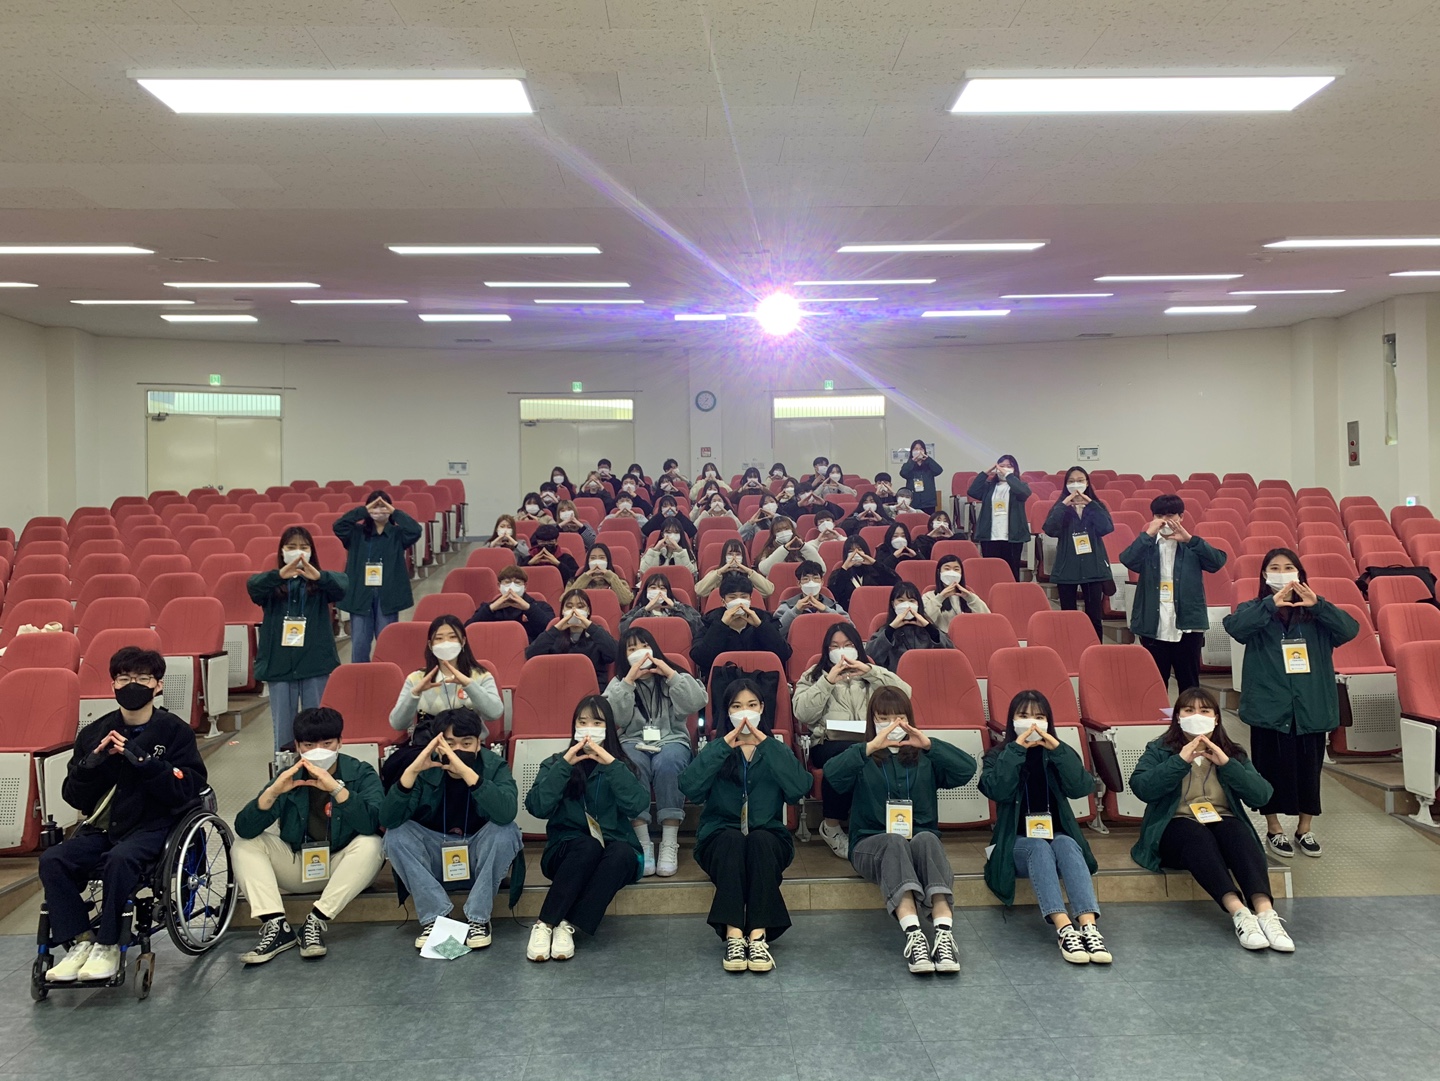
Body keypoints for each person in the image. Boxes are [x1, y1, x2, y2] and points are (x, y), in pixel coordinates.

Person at [40, 646, 206, 983]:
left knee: (121, 859)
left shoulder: (175, 731)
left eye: (143, 679)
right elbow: (75, 797)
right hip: (104, 828)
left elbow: (188, 787)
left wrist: (144, 762)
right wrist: (90, 765)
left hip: (155, 826)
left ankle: (109, 945)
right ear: (113, 684)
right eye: (124, 678)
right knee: (53, 859)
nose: (133, 685)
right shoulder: (94, 733)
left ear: (158, 685)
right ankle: (81, 941)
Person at [823, 687, 975, 974]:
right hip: (871, 844)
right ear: (872, 720)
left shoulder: (924, 757)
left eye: (899, 717)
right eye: (884, 718)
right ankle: (914, 934)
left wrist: (929, 744)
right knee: (893, 842)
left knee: (927, 838)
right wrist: (869, 747)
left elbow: (966, 770)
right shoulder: (862, 757)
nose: (893, 724)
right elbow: (832, 775)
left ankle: (944, 933)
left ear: (910, 720)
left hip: (917, 843)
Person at [1129, 688, 1293, 952]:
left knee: (1239, 832)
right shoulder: (1160, 749)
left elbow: (1262, 795)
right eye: (1188, 710)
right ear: (1178, 717)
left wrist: (1228, 765)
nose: (1197, 716)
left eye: (1204, 711)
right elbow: (1142, 787)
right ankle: (1240, 913)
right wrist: (1179, 761)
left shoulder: (1232, 752)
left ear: (1216, 718)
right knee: (1196, 835)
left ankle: (1266, 913)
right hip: (1175, 826)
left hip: (1220, 820)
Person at [1223, 548, 1359, 859]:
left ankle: (1304, 828)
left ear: (1299, 574)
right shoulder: (1255, 609)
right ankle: (1274, 828)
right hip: (1270, 706)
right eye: (1275, 567)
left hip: (1310, 705)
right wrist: (1270, 605)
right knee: (1268, 768)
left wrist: (1319, 604)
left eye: (1288, 567)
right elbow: (1236, 627)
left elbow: (1350, 629)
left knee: (1309, 771)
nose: (1282, 573)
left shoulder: (1316, 612)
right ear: (1264, 575)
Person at [232, 707, 385, 964]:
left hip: (343, 868)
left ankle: (315, 922)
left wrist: (336, 789)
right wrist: (272, 793)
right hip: (298, 866)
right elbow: (245, 828)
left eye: (327, 744)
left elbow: (373, 824)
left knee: (372, 844)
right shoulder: (288, 777)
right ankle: (276, 926)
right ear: (297, 746)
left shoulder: (360, 772)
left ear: (340, 742)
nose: (318, 751)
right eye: (309, 745)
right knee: (244, 845)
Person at [678, 678, 812, 972]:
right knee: (732, 841)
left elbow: (799, 788)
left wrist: (767, 745)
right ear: (727, 712)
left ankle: (758, 935)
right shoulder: (716, 748)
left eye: (752, 705)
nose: (745, 712)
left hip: (768, 837)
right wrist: (722, 747)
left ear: (762, 708)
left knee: (759, 841)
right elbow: (690, 787)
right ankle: (734, 935)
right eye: (737, 706)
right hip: (720, 838)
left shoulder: (775, 749)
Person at [979, 691, 1110, 964]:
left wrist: (1059, 751)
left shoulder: (1058, 753)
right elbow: (996, 790)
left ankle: (1089, 927)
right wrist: (1016, 750)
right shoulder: (998, 755)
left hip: (1056, 837)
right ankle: (1064, 928)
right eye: (1023, 716)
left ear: (1049, 721)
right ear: (1011, 720)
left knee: (1066, 843)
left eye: (1039, 716)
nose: (1032, 723)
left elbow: (1081, 787)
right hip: (1014, 843)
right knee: (1038, 847)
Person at [380, 709, 524, 950]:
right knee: (396, 836)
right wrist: (411, 773)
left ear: (478, 744)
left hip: (478, 856)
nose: (457, 750)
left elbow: (507, 812)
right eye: (450, 743)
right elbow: (389, 820)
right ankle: (435, 919)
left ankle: (478, 919)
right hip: (436, 858)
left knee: (506, 830)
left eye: (466, 743)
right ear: (438, 744)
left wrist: (468, 774)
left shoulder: (493, 765)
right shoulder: (425, 766)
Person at [524, 696, 650, 961]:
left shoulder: (621, 765)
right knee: (588, 845)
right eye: (582, 722)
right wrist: (564, 766)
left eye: (597, 722)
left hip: (614, 852)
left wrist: (611, 765)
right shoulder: (556, 762)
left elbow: (637, 805)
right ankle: (545, 924)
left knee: (621, 853)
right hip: (566, 851)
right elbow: (537, 807)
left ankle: (565, 924)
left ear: (609, 728)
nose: (589, 728)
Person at [793, 622, 911, 859]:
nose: (842, 651)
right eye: (835, 646)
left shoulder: (871, 673)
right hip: (828, 742)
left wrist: (870, 672)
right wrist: (828, 682)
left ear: (858, 647)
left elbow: (904, 695)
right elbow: (803, 714)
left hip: (870, 739)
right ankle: (831, 825)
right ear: (827, 650)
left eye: (847, 645)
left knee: (879, 753)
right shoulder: (814, 675)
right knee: (848, 756)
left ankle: (880, 823)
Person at [605, 628, 709, 876]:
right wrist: (628, 682)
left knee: (669, 762)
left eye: (644, 646)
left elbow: (697, 701)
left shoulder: (673, 673)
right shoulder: (619, 681)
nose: (639, 652)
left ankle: (669, 842)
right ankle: (643, 842)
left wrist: (671, 675)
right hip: (633, 740)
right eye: (632, 649)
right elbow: (614, 718)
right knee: (631, 763)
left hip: (672, 739)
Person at [247, 526, 347, 754]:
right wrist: (279, 575)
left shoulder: (321, 583)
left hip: (314, 664)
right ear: (282, 551)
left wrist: (319, 576)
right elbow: (253, 586)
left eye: (304, 547)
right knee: (283, 731)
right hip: (279, 665)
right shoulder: (272, 584)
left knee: (318, 728)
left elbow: (343, 587)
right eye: (291, 547)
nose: (298, 551)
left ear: (312, 551)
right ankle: (285, 772)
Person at [1119, 495, 1227, 695]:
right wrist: (1147, 534)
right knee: (1155, 686)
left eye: (1170, 516)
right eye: (1159, 516)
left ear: (1181, 517)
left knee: (1189, 685)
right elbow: (1127, 559)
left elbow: (1217, 562)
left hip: (1187, 626)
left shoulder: (1192, 545)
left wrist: (1190, 540)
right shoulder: (1147, 545)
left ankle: (1187, 716)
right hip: (1153, 625)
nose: (1165, 520)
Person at [333, 490, 423, 663]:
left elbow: (415, 530)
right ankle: (360, 676)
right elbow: (338, 526)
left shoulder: (397, 534)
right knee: (360, 644)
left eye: (383, 506)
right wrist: (363, 511)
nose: (379, 510)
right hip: (361, 595)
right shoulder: (356, 533)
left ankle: (386, 674)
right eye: (375, 506)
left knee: (386, 642)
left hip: (387, 595)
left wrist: (394, 512)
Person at [389, 615, 504, 738]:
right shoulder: (416, 679)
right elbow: (398, 724)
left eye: (453, 637)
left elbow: (494, 713)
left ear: (463, 641)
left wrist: (469, 685)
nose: (446, 643)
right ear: (430, 645)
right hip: (429, 745)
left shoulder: (481, 676)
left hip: (468, 746)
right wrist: (415, 694)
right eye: (439, 638)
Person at [1043, 467, 1115, 640]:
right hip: (1067, 568)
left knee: (1094, 617)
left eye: (1080, 480)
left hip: (1093, 569)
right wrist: (1063, 505)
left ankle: (1095, 649)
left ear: (1087, 483)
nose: (1076, 484)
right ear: (1066, 484)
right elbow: (1050, 529)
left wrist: (1091, 504)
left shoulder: (1097, 506)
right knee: (1068, 617)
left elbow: (1106, 528)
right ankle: (1071, 648)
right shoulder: (1060, 507)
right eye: (1071, 481)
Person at [691, 571, 792, 683]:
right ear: (723, 601)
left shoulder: (764, 619)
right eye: (732, 597)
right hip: (722, 682)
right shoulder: (709, 622)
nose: (738, 602)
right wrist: (721, 626)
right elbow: (700, 658)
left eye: (744, 597)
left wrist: (760, 626)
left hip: (761, 681)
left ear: (750, 599)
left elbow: (784, 653)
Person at [526, 588, 619, 686]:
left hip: (592, 688)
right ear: (562, 611)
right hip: (559, 686)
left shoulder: (597, 633)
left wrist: (590, 627)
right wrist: (556, 629)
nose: (574, 611)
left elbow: (614, 654)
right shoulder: (553, 634)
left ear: (588, 610)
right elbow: (531, 654)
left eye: (580, 607)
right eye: (569, 607)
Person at [966, 455, 1031, 581]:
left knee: (1011, 571)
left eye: (1009, 466)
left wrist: (1009, 476)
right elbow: (972, 491)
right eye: (1001, 466)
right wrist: (986, 473)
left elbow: (1024, 493)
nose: (1004, 469)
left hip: (1012, 537)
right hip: (990, 536)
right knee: (991, 571)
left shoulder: (1020, 486)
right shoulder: (989, 486)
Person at [866, 581, 951, 668]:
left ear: (918, 604)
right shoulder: (885, 630)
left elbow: (950, 653)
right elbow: (870, 657)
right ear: (893, 604)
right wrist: (891, 629)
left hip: (927, 672)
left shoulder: (928, 629)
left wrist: (928, 627)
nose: (906, 605)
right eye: (901, 601)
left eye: (911, 601)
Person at [465, 564, 555, 643]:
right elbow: (468, 630)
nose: (512, 587)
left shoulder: (541, 606)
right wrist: (491, 608)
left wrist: (529, 608)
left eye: (517, 583)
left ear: (525, 586)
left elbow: (552, 631)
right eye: (507, 582)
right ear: (499, 586)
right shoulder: (488, 609)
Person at [774, 559, 848, 638]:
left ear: (822, 582)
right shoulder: (787, 606)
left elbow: (850, 629)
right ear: (799, 583)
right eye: (806, 579)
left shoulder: (833, 606)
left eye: (815, 578)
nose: (811, 583)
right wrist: (795, 611)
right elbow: (774, 633)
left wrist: (826, 610)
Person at [619, 572, 704, 640]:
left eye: (662, 588)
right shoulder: (637, 610)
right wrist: (645, 610)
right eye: (653, 588)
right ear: (646, 591)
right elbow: (624, 629)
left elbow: (698, 629)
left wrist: (675, 608)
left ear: (668, 592)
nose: (658, 591)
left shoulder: (681, 608)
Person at [827, 535, 900, 611]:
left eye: (859, 549)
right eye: (851, 551)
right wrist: (844, 568)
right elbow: (832, 595)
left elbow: (896, 582)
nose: (856, 554)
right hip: (849, 612)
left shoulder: (876, 571)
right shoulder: (839, 574)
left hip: (876, 609)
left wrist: (874, 563)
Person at [920, 555, 990, 634]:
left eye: (956, 569)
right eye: (947, 569)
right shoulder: (929, 596)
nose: (952, 573)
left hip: (969, 636)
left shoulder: (969, 596)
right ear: (939, 572)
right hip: (942, 639)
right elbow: (925, 620)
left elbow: (987, 618)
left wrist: (970, 598)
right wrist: (940, 597)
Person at [695, 538, 775, 600]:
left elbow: (768, 591)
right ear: (724, 556)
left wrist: (749, 572)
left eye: (738, 554)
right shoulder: (716, 574)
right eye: (730, 554)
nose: (734, 557)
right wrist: (719, 572)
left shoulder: (750, 574)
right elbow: (699, 591)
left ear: (743, 557)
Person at [568, 543, 635, 607]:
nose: (597, 562)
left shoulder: (620, 582)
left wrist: (611, 577)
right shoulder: (574, 581)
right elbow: (566, 601)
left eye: (602, 558)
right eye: (593, 558)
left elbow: (626, 601)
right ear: (588, 561)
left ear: (607, 561)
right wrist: (585, 578)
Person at [758, 516, 823, 577]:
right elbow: (764, 570)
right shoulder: (768, 550)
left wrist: (805, 547)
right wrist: (783, 550)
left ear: (792, 529)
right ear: (773, 534)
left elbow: (821, 569)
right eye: (778, 531)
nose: (783, 532)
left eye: (786, 529)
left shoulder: (802, 547)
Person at [899, 439, 943, 514]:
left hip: (928, 502)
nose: (918, 451)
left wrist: (928, 459)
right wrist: (912, 460)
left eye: (921, 449)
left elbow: (939, 470)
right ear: (912, 452)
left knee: (928, 519)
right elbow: (903, 473)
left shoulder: (929, 465)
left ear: (924, 451)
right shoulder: (909, 465)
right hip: (913, 501)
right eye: (916, 449)